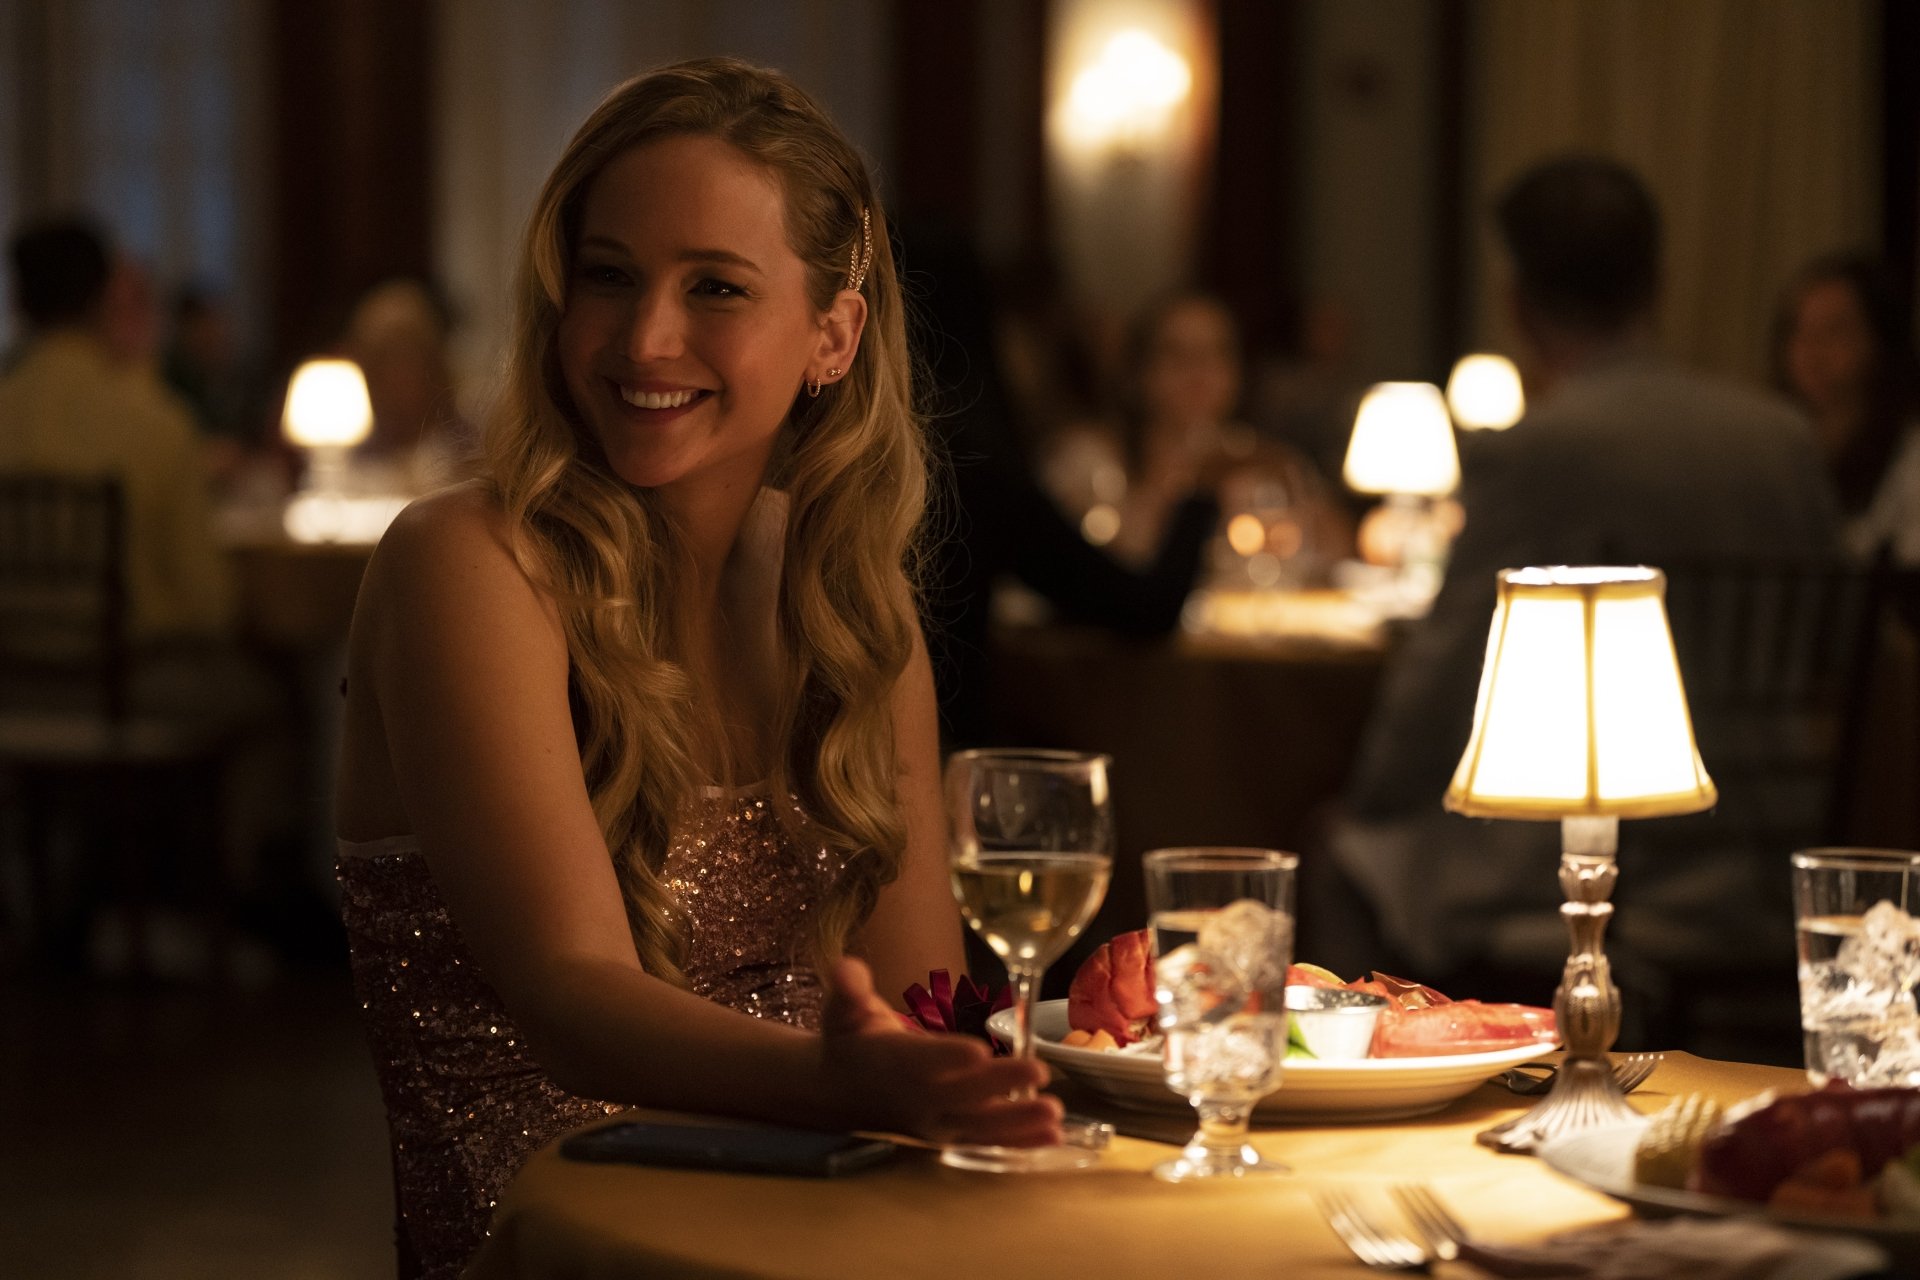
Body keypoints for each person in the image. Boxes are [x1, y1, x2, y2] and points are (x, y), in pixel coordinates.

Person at [333, 60, 1056, 1277]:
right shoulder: (466, 564)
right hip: (567, 1243)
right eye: (607, 276)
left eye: (715, 285)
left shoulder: (850, 614)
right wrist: (842, 1082)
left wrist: (958, 1070)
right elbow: (568, 998)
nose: (645, 337)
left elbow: (924, 997)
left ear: (835, 331)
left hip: (833, 1227)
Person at [1321, 156, 1839, 1023]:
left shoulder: (1541, 450)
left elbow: (1440, 689)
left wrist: (1367, 797)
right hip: (1768, 853)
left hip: (1601, 861)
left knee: (1341, 856)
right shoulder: (1783, 438)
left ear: (1516, 300)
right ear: (1659, 284)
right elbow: (1830, 653)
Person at [0, 216, 236, 685]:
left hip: (12, 692)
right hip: (131, 686)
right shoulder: (155, 423)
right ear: (101, 299)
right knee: (279, 716)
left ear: (20, 304)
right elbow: (209, 606)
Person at [1772, 252, 1920, 564]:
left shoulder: (1909, 461)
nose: (1814, 351)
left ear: (1879, 341)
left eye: (1836, 331)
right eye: (1801, 331)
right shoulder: (1777, 449)